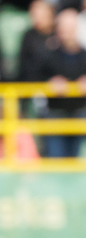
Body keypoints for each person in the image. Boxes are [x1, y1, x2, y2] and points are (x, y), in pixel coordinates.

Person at [40, 8, 86, 159]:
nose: (65, 31)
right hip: (56, 112)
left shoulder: (84, 56)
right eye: (62, 27)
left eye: (69, 27)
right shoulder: (48, 55)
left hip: (80, 113)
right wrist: (49, 82)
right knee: (56, 162)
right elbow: (31, 76)